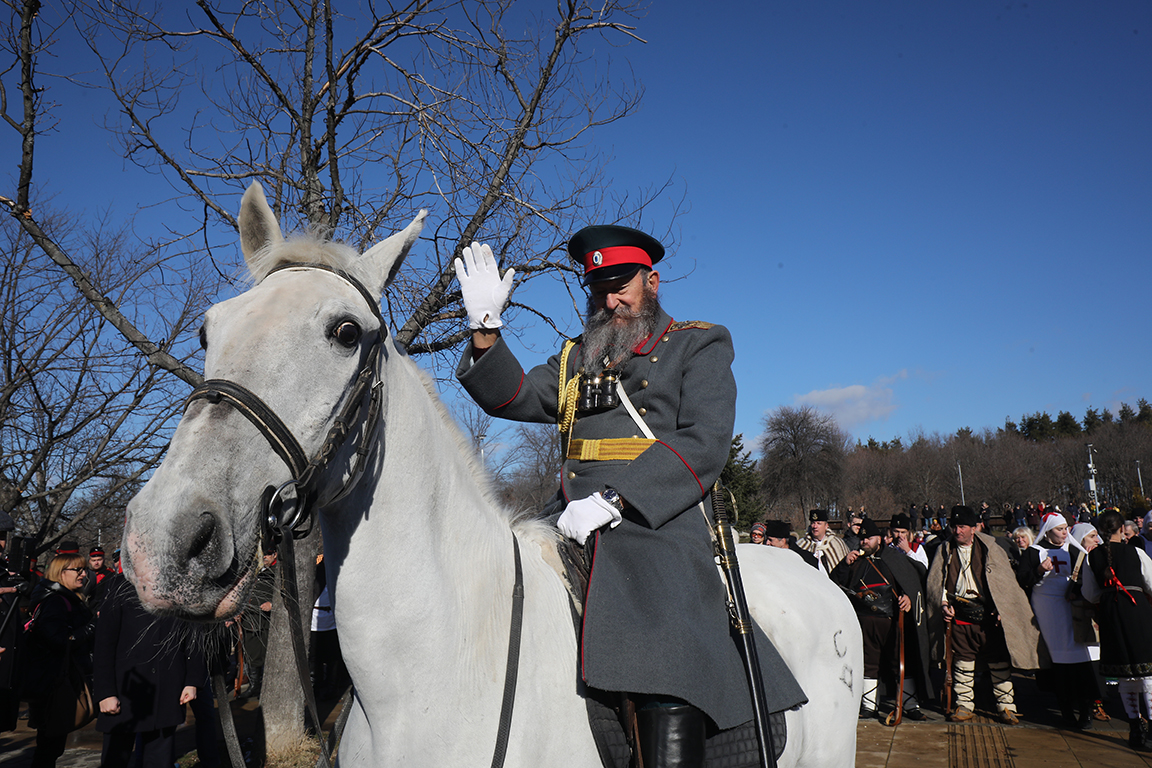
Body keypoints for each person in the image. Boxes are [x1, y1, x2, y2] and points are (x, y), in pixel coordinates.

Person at [454, 228, 804, 766]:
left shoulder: (697, 343)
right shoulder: (577, 357)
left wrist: (618, 498)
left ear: (652, 282)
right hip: (567, 517)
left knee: (661, 631)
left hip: (655, 519)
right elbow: (514, 396)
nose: (610, 300)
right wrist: (484, 330)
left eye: (621, 286)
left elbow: (704, 442)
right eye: (598, 289)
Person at [926, 505, 1039, 725]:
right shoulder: (945, 549)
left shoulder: (991, 548)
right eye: (954, 526)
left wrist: (1003, 610)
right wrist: (942, 604)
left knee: (998, 663)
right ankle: (965, 705)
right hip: (959, 615)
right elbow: (935, 582)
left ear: (974, 528)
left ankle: (1006, 706)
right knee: (963, 663)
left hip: (988, 616)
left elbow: (1004, 584)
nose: (957, 531)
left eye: (962, 527)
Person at [94, 574, 207, 768]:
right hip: (125, 690)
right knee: (115, 760)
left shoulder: (182, 585)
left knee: (159, 760)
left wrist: (192, 681)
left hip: (166, 689)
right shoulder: (120, 585)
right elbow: (104, 643)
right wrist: (105, 692)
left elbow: (194, 636)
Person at [831, 519, 932, 721]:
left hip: (892, 620)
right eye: (862, 539)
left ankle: (909, 704)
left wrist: (908, 597)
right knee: (869, 663)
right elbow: (836, 583)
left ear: (880, 538)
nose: (865, 542)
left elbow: (914, 579)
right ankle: (869, 705)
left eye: (869, 538)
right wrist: (844, 565)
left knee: (901, 662)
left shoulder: (894, 557)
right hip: (865, 622)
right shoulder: (855, 561)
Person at [1016, 512, 1101, 729]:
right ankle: (1065, 709)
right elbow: (1022, 579)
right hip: (1046, 609)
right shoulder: (1034, 552)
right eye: (1060, 529)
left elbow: (1086, 576)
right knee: (1058, 659)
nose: (1065, 533)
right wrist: (1038, 570)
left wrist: (1077, 592)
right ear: (1048, 531)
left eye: (1065, 529)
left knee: (1080, 656)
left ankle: (1086, 709)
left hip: (1070, 607)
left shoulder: (1073, 550)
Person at [1082, 509, 1152, 752]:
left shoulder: (1091, 557)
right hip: (1138, 612)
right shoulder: (1136, 552)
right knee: (1148, 672)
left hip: (1111, 614)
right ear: (1122, 528)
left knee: (1124, 674)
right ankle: (1151, 729)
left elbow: (1090, 594)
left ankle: (1135, 728)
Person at [23, 552, 96, 768]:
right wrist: (92, 628)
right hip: (53, 683)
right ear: (60, 573)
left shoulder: (65, 597)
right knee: (49, 746)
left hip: (55, 679)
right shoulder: (55, 601)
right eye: (78, 570)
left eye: (85, 570)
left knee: (51, 746)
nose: (84, 574)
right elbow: (57, 639)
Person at [795, 509, 850, 575]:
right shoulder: (801, 544)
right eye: (813, 523)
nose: (815, 526)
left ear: (826, 526)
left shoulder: (836, 543)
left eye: (819, 523)